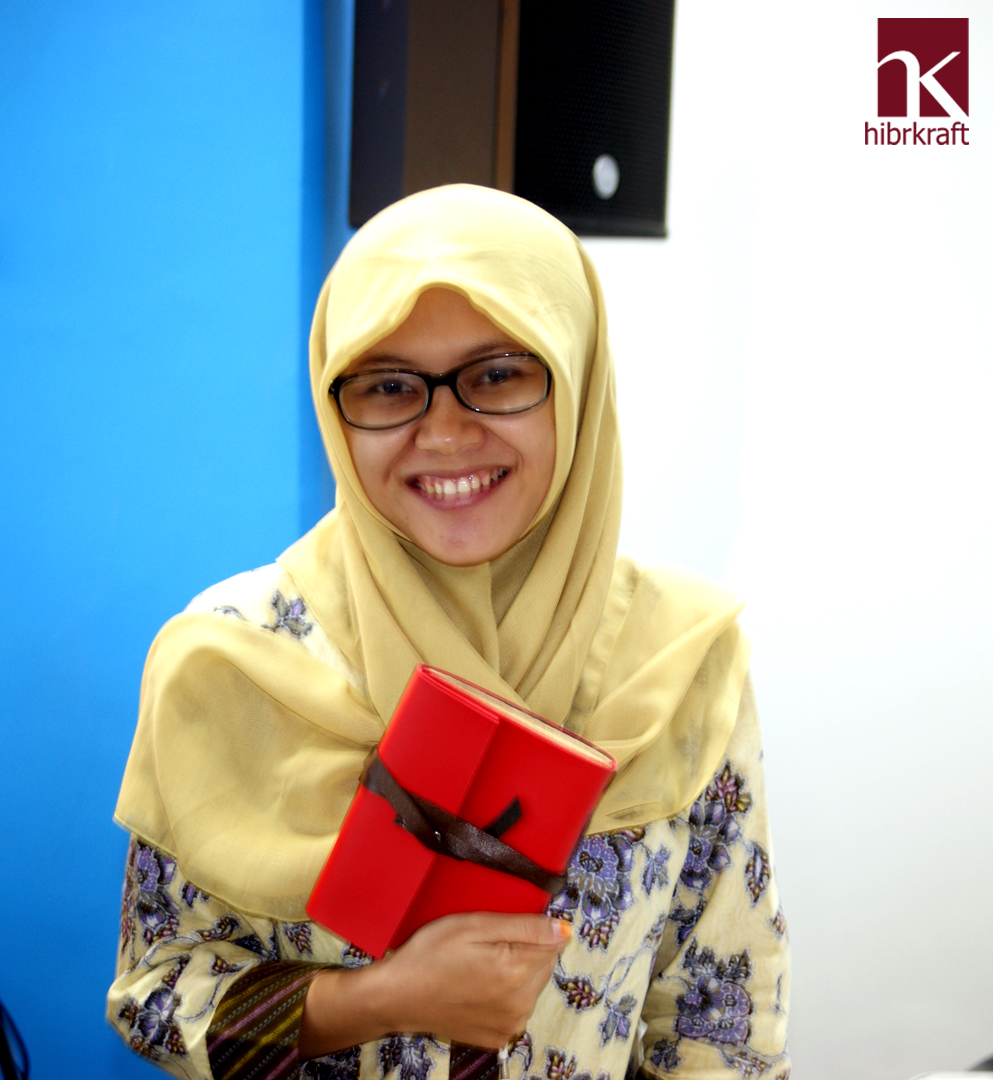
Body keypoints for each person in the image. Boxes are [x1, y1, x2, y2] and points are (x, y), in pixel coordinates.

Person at [108, 185, 790, 1080]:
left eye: (499, 373)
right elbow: (157, 995)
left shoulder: (680, 662)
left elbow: (720, 1034)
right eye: (389, 386)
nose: (444, 430)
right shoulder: (236, 654)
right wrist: (380, 1001)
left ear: (577, 382)